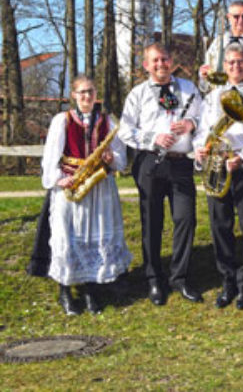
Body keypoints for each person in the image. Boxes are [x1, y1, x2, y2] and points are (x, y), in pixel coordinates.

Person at [119, 42, 204, 306]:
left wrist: (192, 124)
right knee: (151, 222)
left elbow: (205, 121)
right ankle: (154, 279)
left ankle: (179, 277)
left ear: (171, 61)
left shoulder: (189, 89)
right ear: (146, 65)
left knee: (186, 219)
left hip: (180, 163)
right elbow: (125, 130)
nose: (161, 64)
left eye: (164, 59)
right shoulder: (138, 93)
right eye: (155, 61)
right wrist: (153, 137)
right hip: (150, 162)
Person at [42, 76, 132, 315]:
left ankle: (92, 289)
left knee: (95, 237)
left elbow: (121, 159)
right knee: (68, 237)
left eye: (90, 92)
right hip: (71, 186)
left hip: (99, 188)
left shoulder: (107, 122)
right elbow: (51, 157)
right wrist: (58, 178)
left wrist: (112, 159)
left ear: (96, 94)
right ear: (73, 95)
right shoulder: (61, 120)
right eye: (81, 92)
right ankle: (65, 292)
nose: (86, 97)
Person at [194, 43, 243, 310]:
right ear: (223, 66)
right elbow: (203, 127)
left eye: (240, 62)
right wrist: (200, 149)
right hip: (216, 164)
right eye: (230, 63)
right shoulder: (213, 96)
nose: (235, 67)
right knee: (220, 226)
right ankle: (228, 281)